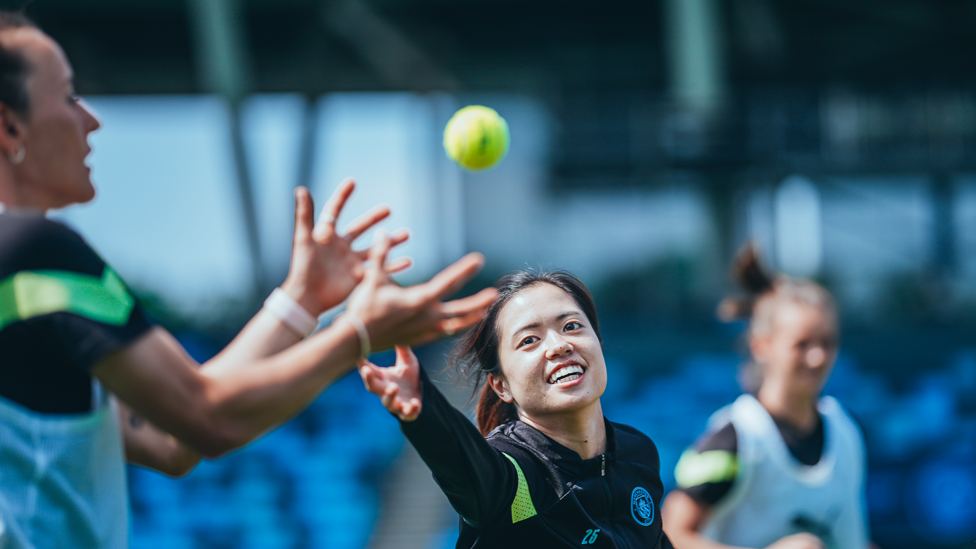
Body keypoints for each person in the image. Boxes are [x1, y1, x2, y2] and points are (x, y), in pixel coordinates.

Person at [0, 11, 498, 549]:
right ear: (9, 125)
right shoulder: (36, 255)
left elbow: (174, 438)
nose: (90, 120)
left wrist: (299, 304)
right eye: (69, 96)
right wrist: (355, 333)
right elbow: (207, 418)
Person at [358, 270, 674, 548]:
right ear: (501, 386)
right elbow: (460, 463)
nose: (559, 346)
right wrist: (423, 408)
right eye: (529, 340)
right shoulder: (513, 472)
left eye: (572, 325)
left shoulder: (638, 451)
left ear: (598, 343)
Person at [661, 244, 869, 549]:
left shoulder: (846, 430)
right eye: (802, 344)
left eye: (827, 342)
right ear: (762, 345)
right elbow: (670, 536)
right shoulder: (733, 437)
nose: (818, 357)